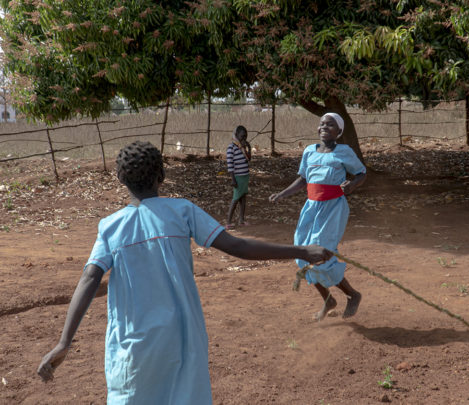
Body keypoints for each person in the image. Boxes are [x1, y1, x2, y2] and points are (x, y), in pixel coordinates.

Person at [36, 141, 332, 404]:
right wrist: (302, 251)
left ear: (119, 179)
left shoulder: (110, 227)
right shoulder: (182, 211)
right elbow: (238, 246)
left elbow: (89, 278)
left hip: (134, 346)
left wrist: (64, 342)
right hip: (183, 338)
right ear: (161, 177)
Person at [269, 112, 366, 321]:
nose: (324, 127)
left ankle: (352, 294)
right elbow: (303, 179)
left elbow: (361, 173)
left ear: (339, 131)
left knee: (321, 253)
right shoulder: (309, 152)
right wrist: (282, 194)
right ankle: (328, 300)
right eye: (322, 124)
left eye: (330, 125)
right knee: (302, 254)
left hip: (333, 208)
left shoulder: (343, 151)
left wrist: (352, 185)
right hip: (311, 208)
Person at [226, 125, 252, 229]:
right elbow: (230, 165)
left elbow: (249, 159)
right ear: (236, 135)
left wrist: (249, 148)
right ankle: (228, 222)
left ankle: (241, 220)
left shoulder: (242, 148)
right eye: (242, 136)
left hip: (245, 176)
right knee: (236, 199)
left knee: (243, 198)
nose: (244, 138)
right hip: (238, 178)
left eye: (245, 136)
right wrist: (233, 179)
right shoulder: (231, 147)